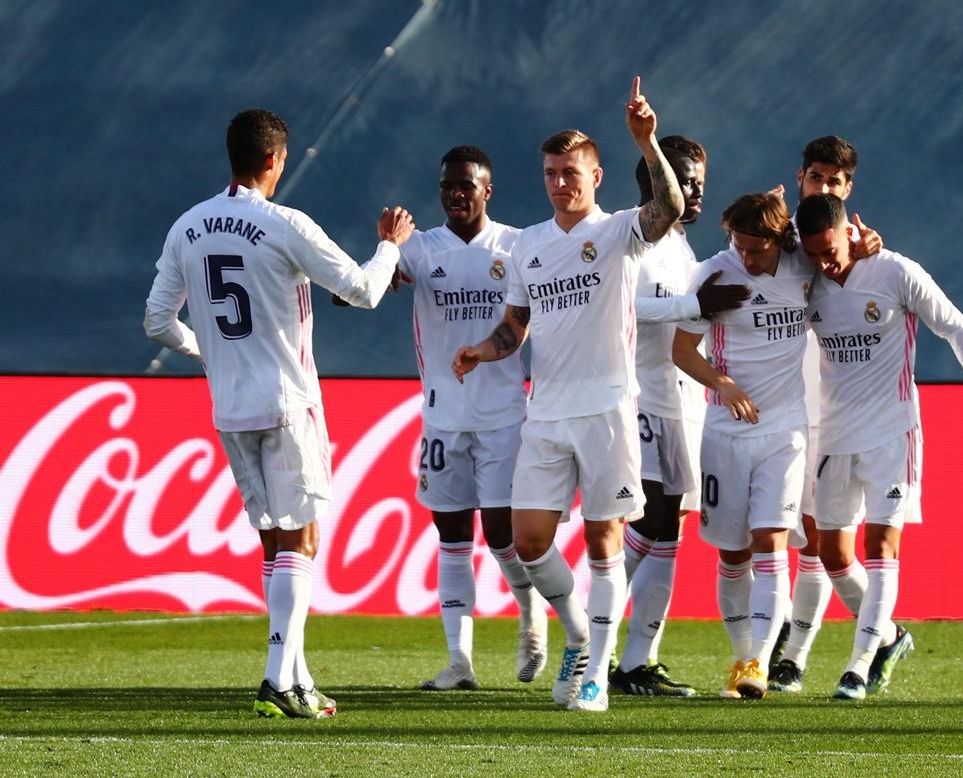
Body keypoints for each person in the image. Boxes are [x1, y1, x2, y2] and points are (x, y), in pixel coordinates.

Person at [144, 108, 410, 718]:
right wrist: (389, 248)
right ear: (274, 160)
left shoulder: (188, 226)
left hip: (230, 407)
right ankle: (277, 680)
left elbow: (158, 323)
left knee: (274, 542)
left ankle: (296, 675)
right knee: (303, 537)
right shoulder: (284, 223)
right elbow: (364, 292)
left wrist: (206, 351)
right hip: (288, 401)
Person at [451, 76, 683, 712]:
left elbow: (670, 209)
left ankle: (596, 677)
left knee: (605, 542)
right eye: (552, 172)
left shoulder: (617, 232)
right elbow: (517, 324)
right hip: (546, 411)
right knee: (527, 540)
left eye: (572, 172)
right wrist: (483, 348)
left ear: (597, 176)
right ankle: (581, 636)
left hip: (608, 407)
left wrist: (648, 140)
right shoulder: (528, 244)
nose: (561, 182)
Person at [796, 193, 963, 700]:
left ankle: (858, 665)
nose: (825, 261)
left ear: (850, 230)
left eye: (831, 249)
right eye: (813, 252)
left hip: (892, 431)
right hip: (834, 433)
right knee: (832, 554)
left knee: (880, 546)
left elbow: (955, 328)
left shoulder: (894, 271)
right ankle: (890, 637)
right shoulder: (804, 279)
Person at [384, 146, 548, 691]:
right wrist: (388, 252)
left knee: (503, 535)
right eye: (447, 186)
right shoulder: (421, 247)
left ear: (487, 190)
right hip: (441, 418)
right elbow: (363, 291)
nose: (456, 194)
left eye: (466, 186)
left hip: (503, 417)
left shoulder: (515, 245)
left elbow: (521, 321)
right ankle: (460, 662)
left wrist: (484, 348)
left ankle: (530, 619)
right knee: (452, 536)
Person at [612, 138, 749, 697]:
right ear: (652, 178)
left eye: (698, 181)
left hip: (683, 408)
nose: (693, 191)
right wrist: (689, 307)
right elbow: (619, 307)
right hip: (641, 401)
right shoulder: (630, 240)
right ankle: (593, 643)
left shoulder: (687, 252)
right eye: (683, 179)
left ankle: (633, 659)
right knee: (650, 524)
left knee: (667, 532)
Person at [672, 190, 811, 700]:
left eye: (757, 250)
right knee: (733, 555)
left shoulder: (803, 265)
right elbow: (681, 350)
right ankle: (740, 655)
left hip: (785, 432)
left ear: (779, 240)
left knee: (771, 542)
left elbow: (839, 251)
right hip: (726, 434)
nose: (747, 258)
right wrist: (722, 383)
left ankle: (756, 663)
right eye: (740, 246)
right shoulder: (713, 273)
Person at [770, 135, 884, 694]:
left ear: (849, 189)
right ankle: (885, 635)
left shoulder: (854, 247)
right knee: (775, 537)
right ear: (800, 178)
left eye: (836, 181)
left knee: (816, 541)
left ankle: (792, 655)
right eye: (817, 177)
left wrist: (870, 249)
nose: (825, 187)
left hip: (832, 410)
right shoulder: (776, 240)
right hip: (774, 404)